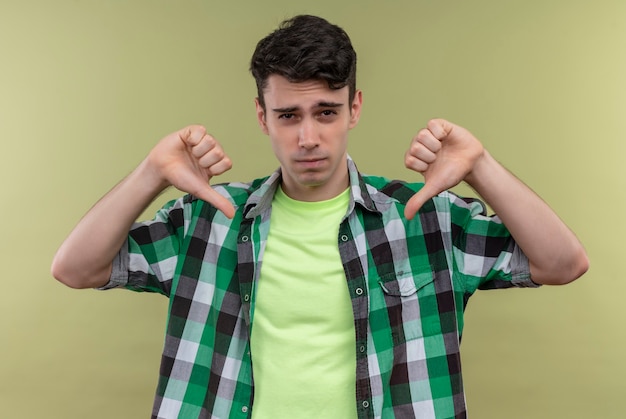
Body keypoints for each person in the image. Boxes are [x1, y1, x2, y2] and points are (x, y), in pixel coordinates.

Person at [51, 14, 588, 419]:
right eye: (288, 116)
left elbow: (563, 263)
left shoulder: (423, 215)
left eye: (326, 112)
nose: (308, 137)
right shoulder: (208, 219)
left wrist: (481, 167)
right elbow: (75, 269)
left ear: (354, 108)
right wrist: (152, 173)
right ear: (262, 117)